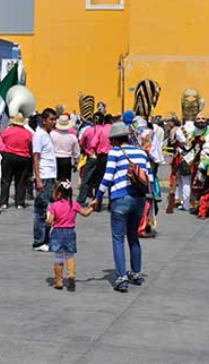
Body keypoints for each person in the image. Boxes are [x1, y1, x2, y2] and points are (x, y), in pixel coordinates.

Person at [90, 122, 152, 292]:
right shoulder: (141, 152)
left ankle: (121, 278)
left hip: (120, 199)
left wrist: (98, 198)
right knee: (133, 237)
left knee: (118, 239)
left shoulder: (115, 152)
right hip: (139, 199)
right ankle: (137, 274)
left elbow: (108, 177)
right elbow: (150, 178)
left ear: (114, 140)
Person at [47, 180, 94, 291]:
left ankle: (58, 281)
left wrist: (48, 221)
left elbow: (50, 221)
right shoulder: (74, 205)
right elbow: (85, 213)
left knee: (58, 256)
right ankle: (71, 276)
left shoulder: (54, 206)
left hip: (57, 232)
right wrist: (92, 206)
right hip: (70, 232)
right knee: (70, 256)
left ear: (58, 194)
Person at [32, 108, 58, 251]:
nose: (53, 122)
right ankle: (39, 241)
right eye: (51, 119)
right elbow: (36, 157)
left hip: (50, 176)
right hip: (44, 175)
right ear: (44, 120)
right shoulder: (39, 135)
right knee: (40, 209)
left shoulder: (47, 134)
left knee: (54, 207)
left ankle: (48, 237)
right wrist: (38, 179)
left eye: (55, 119)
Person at [0, 112, 32, 209]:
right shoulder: (28, 133)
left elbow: (1, 143)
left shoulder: (6, 131)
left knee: (6, 180)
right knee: (21, 181)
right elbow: (31, 146)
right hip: (23, 157)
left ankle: (4, 202)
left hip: (8, 156)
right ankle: (19, 202)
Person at [52, 114, 79, 183]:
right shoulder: (72, 137)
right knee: (65, 181)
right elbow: (76, 152)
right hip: (66, 160)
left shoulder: (52, 135)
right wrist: (76, 163)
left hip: (54, 159)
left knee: (54, 180)